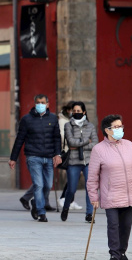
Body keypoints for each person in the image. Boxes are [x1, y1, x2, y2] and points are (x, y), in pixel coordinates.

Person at [87, 114, 132, 260]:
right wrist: (93, 196)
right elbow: (93, 176)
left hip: (130, 193)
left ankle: (122, 252)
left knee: (126, 226)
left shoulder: (129, 144)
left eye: (121, 126)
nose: (120, 129)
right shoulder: (98, 149)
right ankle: (114, 254)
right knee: (113, 226)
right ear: (107, 130)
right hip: (111, 194)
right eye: (116, 127)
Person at [9, 94, 62, 222]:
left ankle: (35, 204)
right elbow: (19, 139)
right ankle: (41, 212)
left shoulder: (53, 118)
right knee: (38, 184)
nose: (40, 104)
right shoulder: (26, 119)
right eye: (38, 102)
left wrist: (57, 154)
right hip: (33, 157)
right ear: (34, 103)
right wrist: (13, 158)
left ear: (48, 104)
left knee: (48, 185)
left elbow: (57, 138)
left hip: (49, 157)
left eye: (43, 102)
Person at [60, 101, 98, 223]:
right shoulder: (68, 125)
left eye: (78, 111)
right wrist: (87, 141)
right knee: (71, 188)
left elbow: (95, 144)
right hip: (73, 161)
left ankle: (89, 214)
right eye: (74, 111)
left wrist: (80, 144)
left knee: (90, 187)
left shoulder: (90, 126)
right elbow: (71, 142)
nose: (76, 113)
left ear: (84, 112)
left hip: (88, 161)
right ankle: (66, 207)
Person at [57, 101, 83, 210]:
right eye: (73, 110)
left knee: (75, 176)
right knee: (73, 176)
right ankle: (64, 198)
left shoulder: (75, 121)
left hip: (78, 151)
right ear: (68, 110)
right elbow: (63, 136)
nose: (75, 113)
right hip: (69, 151)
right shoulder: (62, 120)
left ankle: (70, 200)